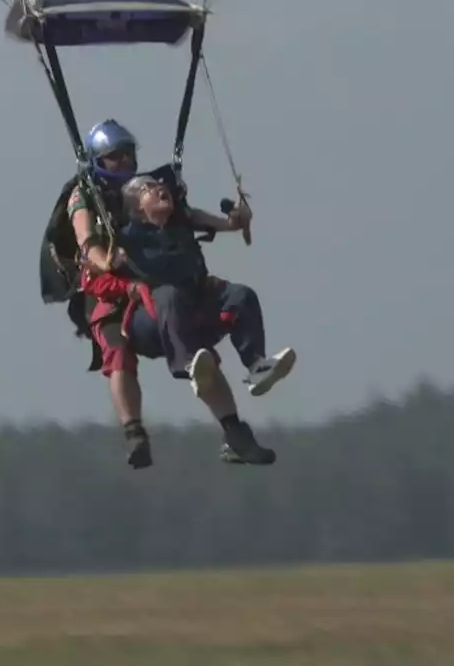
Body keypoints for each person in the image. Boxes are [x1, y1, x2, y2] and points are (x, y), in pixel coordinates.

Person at [65, 120, 294, 468]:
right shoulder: (92, 202)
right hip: (122, 301)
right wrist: (108, 262)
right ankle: (135, 432)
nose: (125, 162)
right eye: (115, 157)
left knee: (236, 300)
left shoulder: (169, 211)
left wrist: (233, 222)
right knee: (120, 350)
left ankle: (241, 412)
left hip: (180, 302)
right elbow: (87, 245)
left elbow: (195, 217)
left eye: (129, 155)